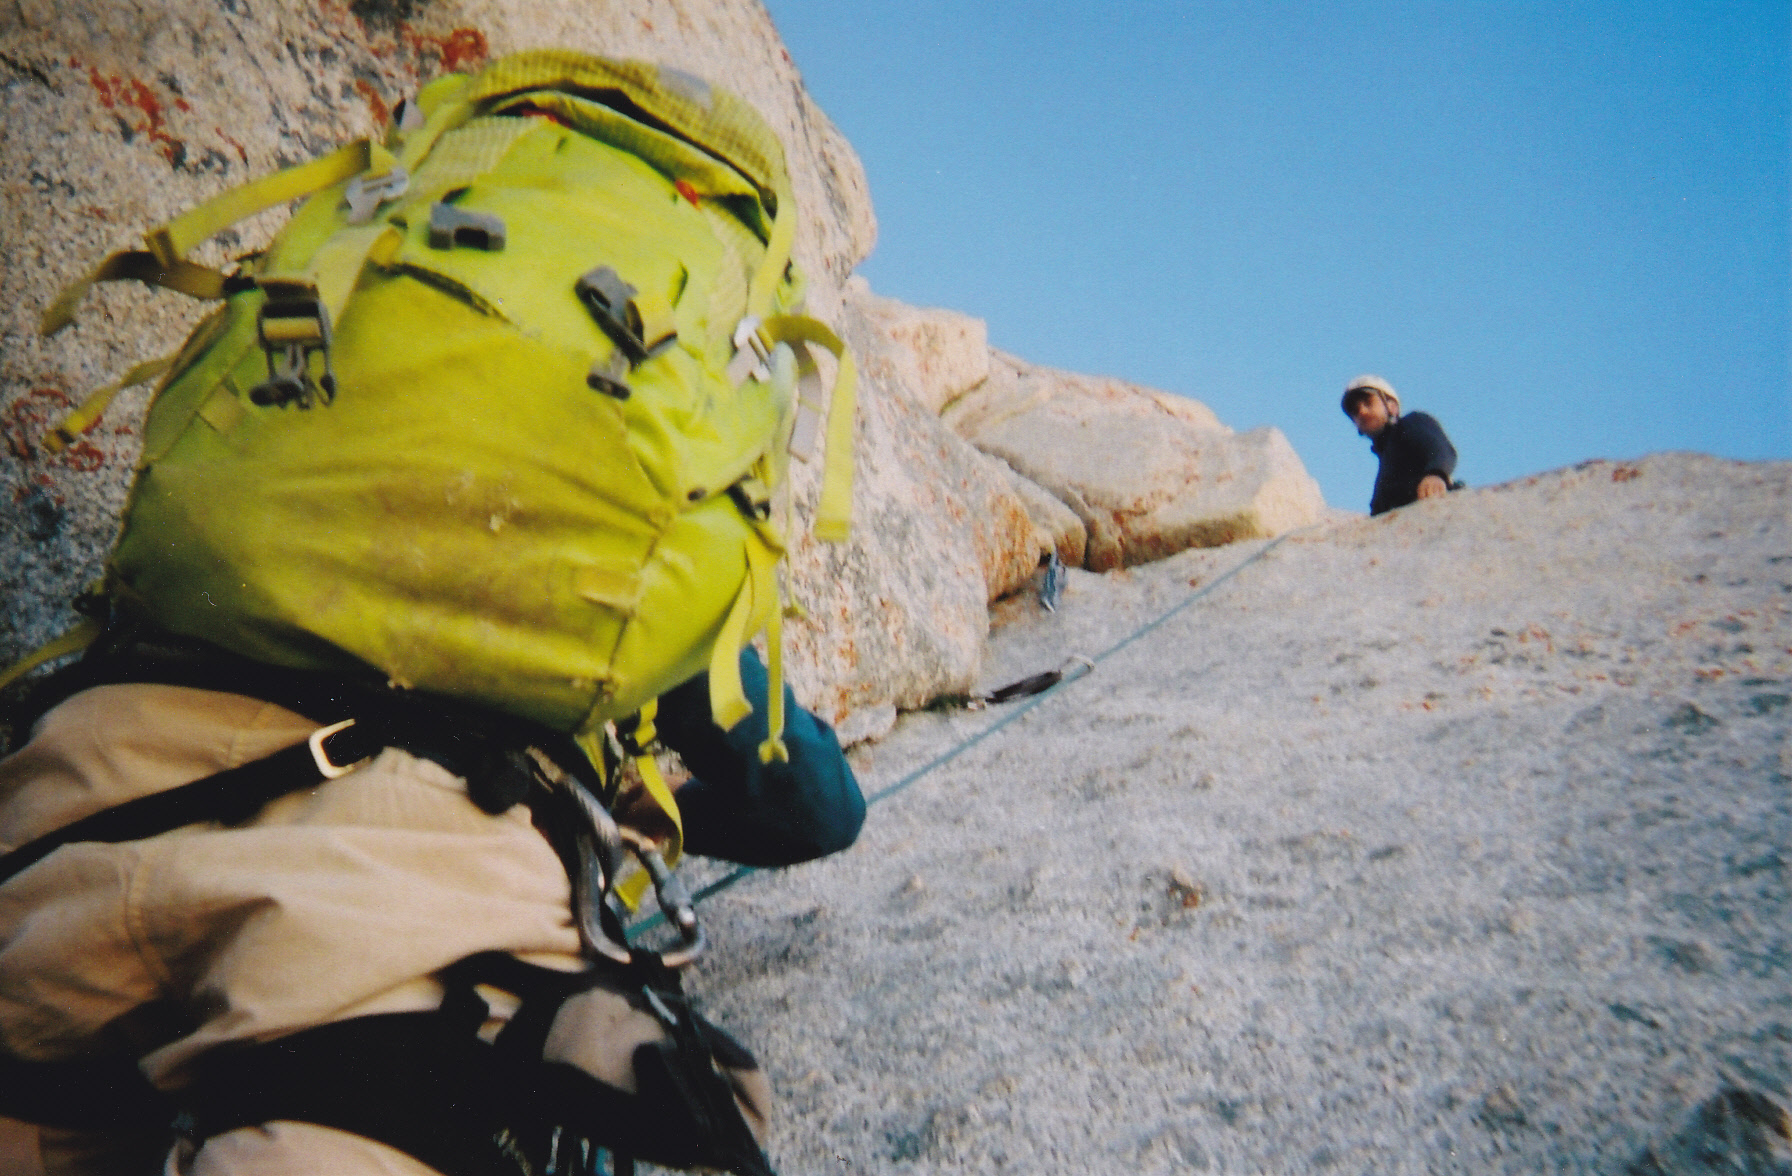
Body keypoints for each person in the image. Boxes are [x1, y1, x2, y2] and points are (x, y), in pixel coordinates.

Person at [0, 629, 863, 1176]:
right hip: (400, 860)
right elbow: (816, 806)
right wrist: (634, 810)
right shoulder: (618, 502)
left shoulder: (303, 374)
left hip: (90, 793)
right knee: (392, 1114)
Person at [1340, 374, 1460, 516]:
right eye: (1355, 411)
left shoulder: (1410, 424)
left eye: (1368, 403)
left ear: (1392, 406)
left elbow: (1438, 448)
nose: (1361, 412)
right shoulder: (1385, 464)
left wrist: (1436, 474)